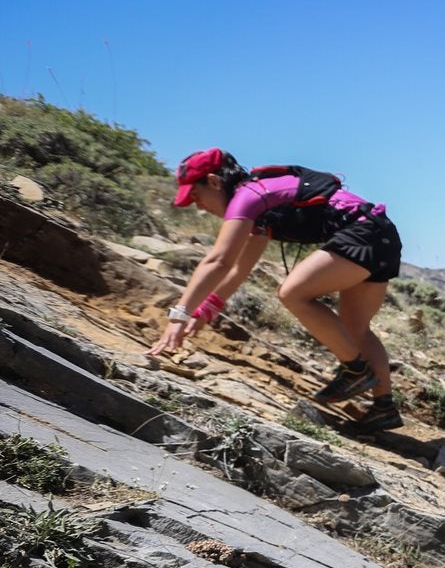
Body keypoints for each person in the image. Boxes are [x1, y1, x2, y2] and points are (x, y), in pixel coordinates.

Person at [149, 149, 403, 432]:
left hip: (363, 233)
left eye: (195, 196)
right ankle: (384, 408)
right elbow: (237, 268)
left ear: (214, 182)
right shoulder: (260, 201)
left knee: (293, 293)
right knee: (357, 329)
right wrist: (205, 309)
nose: (198, 206)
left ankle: (355, 371)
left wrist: (178, 315)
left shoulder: (248, 196)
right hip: (383, 236)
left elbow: (218, 261)